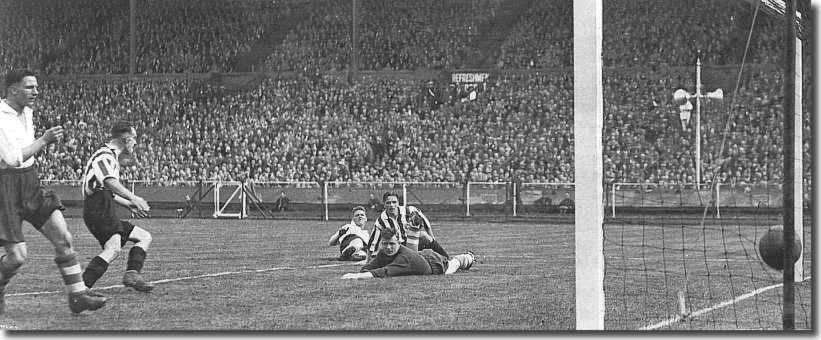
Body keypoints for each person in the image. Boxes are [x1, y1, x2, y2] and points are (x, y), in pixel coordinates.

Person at [0, 69, 106, 313]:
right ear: (13, 90)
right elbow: (11, 158)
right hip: (5, 186)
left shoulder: (26, 110)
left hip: (30, 181)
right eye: (29, 87)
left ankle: (77, 296)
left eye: (36, 87)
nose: (36, 92)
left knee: (64, 237)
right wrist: (44, 140)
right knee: (17, 257)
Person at [80, 121, 154, 293]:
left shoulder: (110, 157)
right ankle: (82, 288)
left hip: (101, 206)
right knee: (113, 248)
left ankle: (132, 274)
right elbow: (109, 182)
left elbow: (107, 190)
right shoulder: (104, 155)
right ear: (125, 138)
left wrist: (128, 204)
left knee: (144, 237)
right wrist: (134, 198)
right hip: (96, 209)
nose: (135, 142)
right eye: (134, 138)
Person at [341, 229, 475, 279]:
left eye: (392, 244)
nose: (388, 247)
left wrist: (356, 276)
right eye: (385, 244)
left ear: (399, 242)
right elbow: (369, 267)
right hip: (422, 256)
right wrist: (361, 272)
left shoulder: (404, 257)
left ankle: (469, 256)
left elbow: (384, 272)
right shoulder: (383, 251)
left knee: (456, 263)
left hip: (436, 265)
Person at [366, 191, 448, 259]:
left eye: (394, 202)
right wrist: (368, 259)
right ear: (384, 204)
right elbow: (373, 241)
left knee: (423, 235)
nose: (391, 205)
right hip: (397, 248)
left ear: (398, 203)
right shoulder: (381, 220)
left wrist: (432, 240)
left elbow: (426, 224)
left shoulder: (409, 210)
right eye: (388, 203)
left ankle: (446, 257)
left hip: (414, 243)